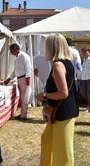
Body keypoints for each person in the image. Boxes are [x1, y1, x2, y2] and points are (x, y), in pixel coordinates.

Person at [36, 33, 79, 166]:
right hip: (60, 111)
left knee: (63, 151)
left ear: (52, 47)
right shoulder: (66, 63)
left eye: (47, 45)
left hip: (63, 113)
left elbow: (63, 93)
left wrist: (44, 95)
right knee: (47, 139)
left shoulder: (58, 65)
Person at [4, 43, 32, 120]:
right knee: (22, 98)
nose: (11, 52)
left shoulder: (24, 56)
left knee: (24, 98)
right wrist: (9, 79)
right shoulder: (17, 58)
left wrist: (28, 79)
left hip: (24, 79)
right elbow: (15, 71)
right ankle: (23, 114)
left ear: (15, 49)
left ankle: (23, 115)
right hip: (20, 79)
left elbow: (28, 68)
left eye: (11, 50)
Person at [80, 47, 90, 112]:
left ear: (88, 51)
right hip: (84, 78)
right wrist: (80, 77)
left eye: (85, 51)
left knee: (89, 93)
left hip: (89, 78)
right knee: (83, 92)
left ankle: (89, 106)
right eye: (82, 52)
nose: (83, 53)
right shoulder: (84, 59)